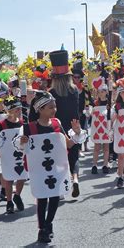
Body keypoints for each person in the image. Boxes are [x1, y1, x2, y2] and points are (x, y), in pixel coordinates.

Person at [21, 91, 82, 243]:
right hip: (39, 170)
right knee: (42, 199)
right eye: (50, 107)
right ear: (40, 109)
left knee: (55, 196)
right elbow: (25, 149)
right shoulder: (30, 128)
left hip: (56, 168)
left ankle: (49, 224)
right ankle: (42, 229)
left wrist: (77, 133)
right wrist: (22, 142)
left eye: (54, 106)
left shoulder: (56, 123)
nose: (54, 109)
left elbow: (67, 143)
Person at [48, 50, 81, 198]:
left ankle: (62, 189)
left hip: (56, 129)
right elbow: (78, 111)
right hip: (74, 126)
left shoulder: (51, 93)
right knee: (74, 157)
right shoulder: (75, 91)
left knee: (59, 159)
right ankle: (75, 179)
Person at [0, 96, 26, 213]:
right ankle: (9, 202)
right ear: (10, 110)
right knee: (8, 178)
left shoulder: (23, 123)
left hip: (20, 154)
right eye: (17, 109)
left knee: (22, 176)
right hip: (7, 156)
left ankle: (17, 195)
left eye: (20, 109)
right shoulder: (1, 125)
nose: (19, 111)